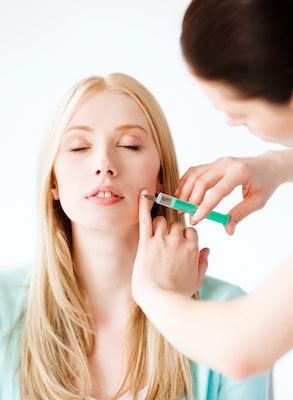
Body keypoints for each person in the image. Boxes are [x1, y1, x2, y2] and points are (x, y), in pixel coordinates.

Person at [0, 72, 268, 399]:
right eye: (78, 147)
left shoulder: (231, 314)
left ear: (160, 178)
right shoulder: (4, 308)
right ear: (53, 182)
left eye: (129, 145)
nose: (104, 164)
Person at [131, 0, 293, 381]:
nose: (230, 121)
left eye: (239, 110)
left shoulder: (227, 299)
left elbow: (242, 350)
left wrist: (150, 290)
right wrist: (276, 164)